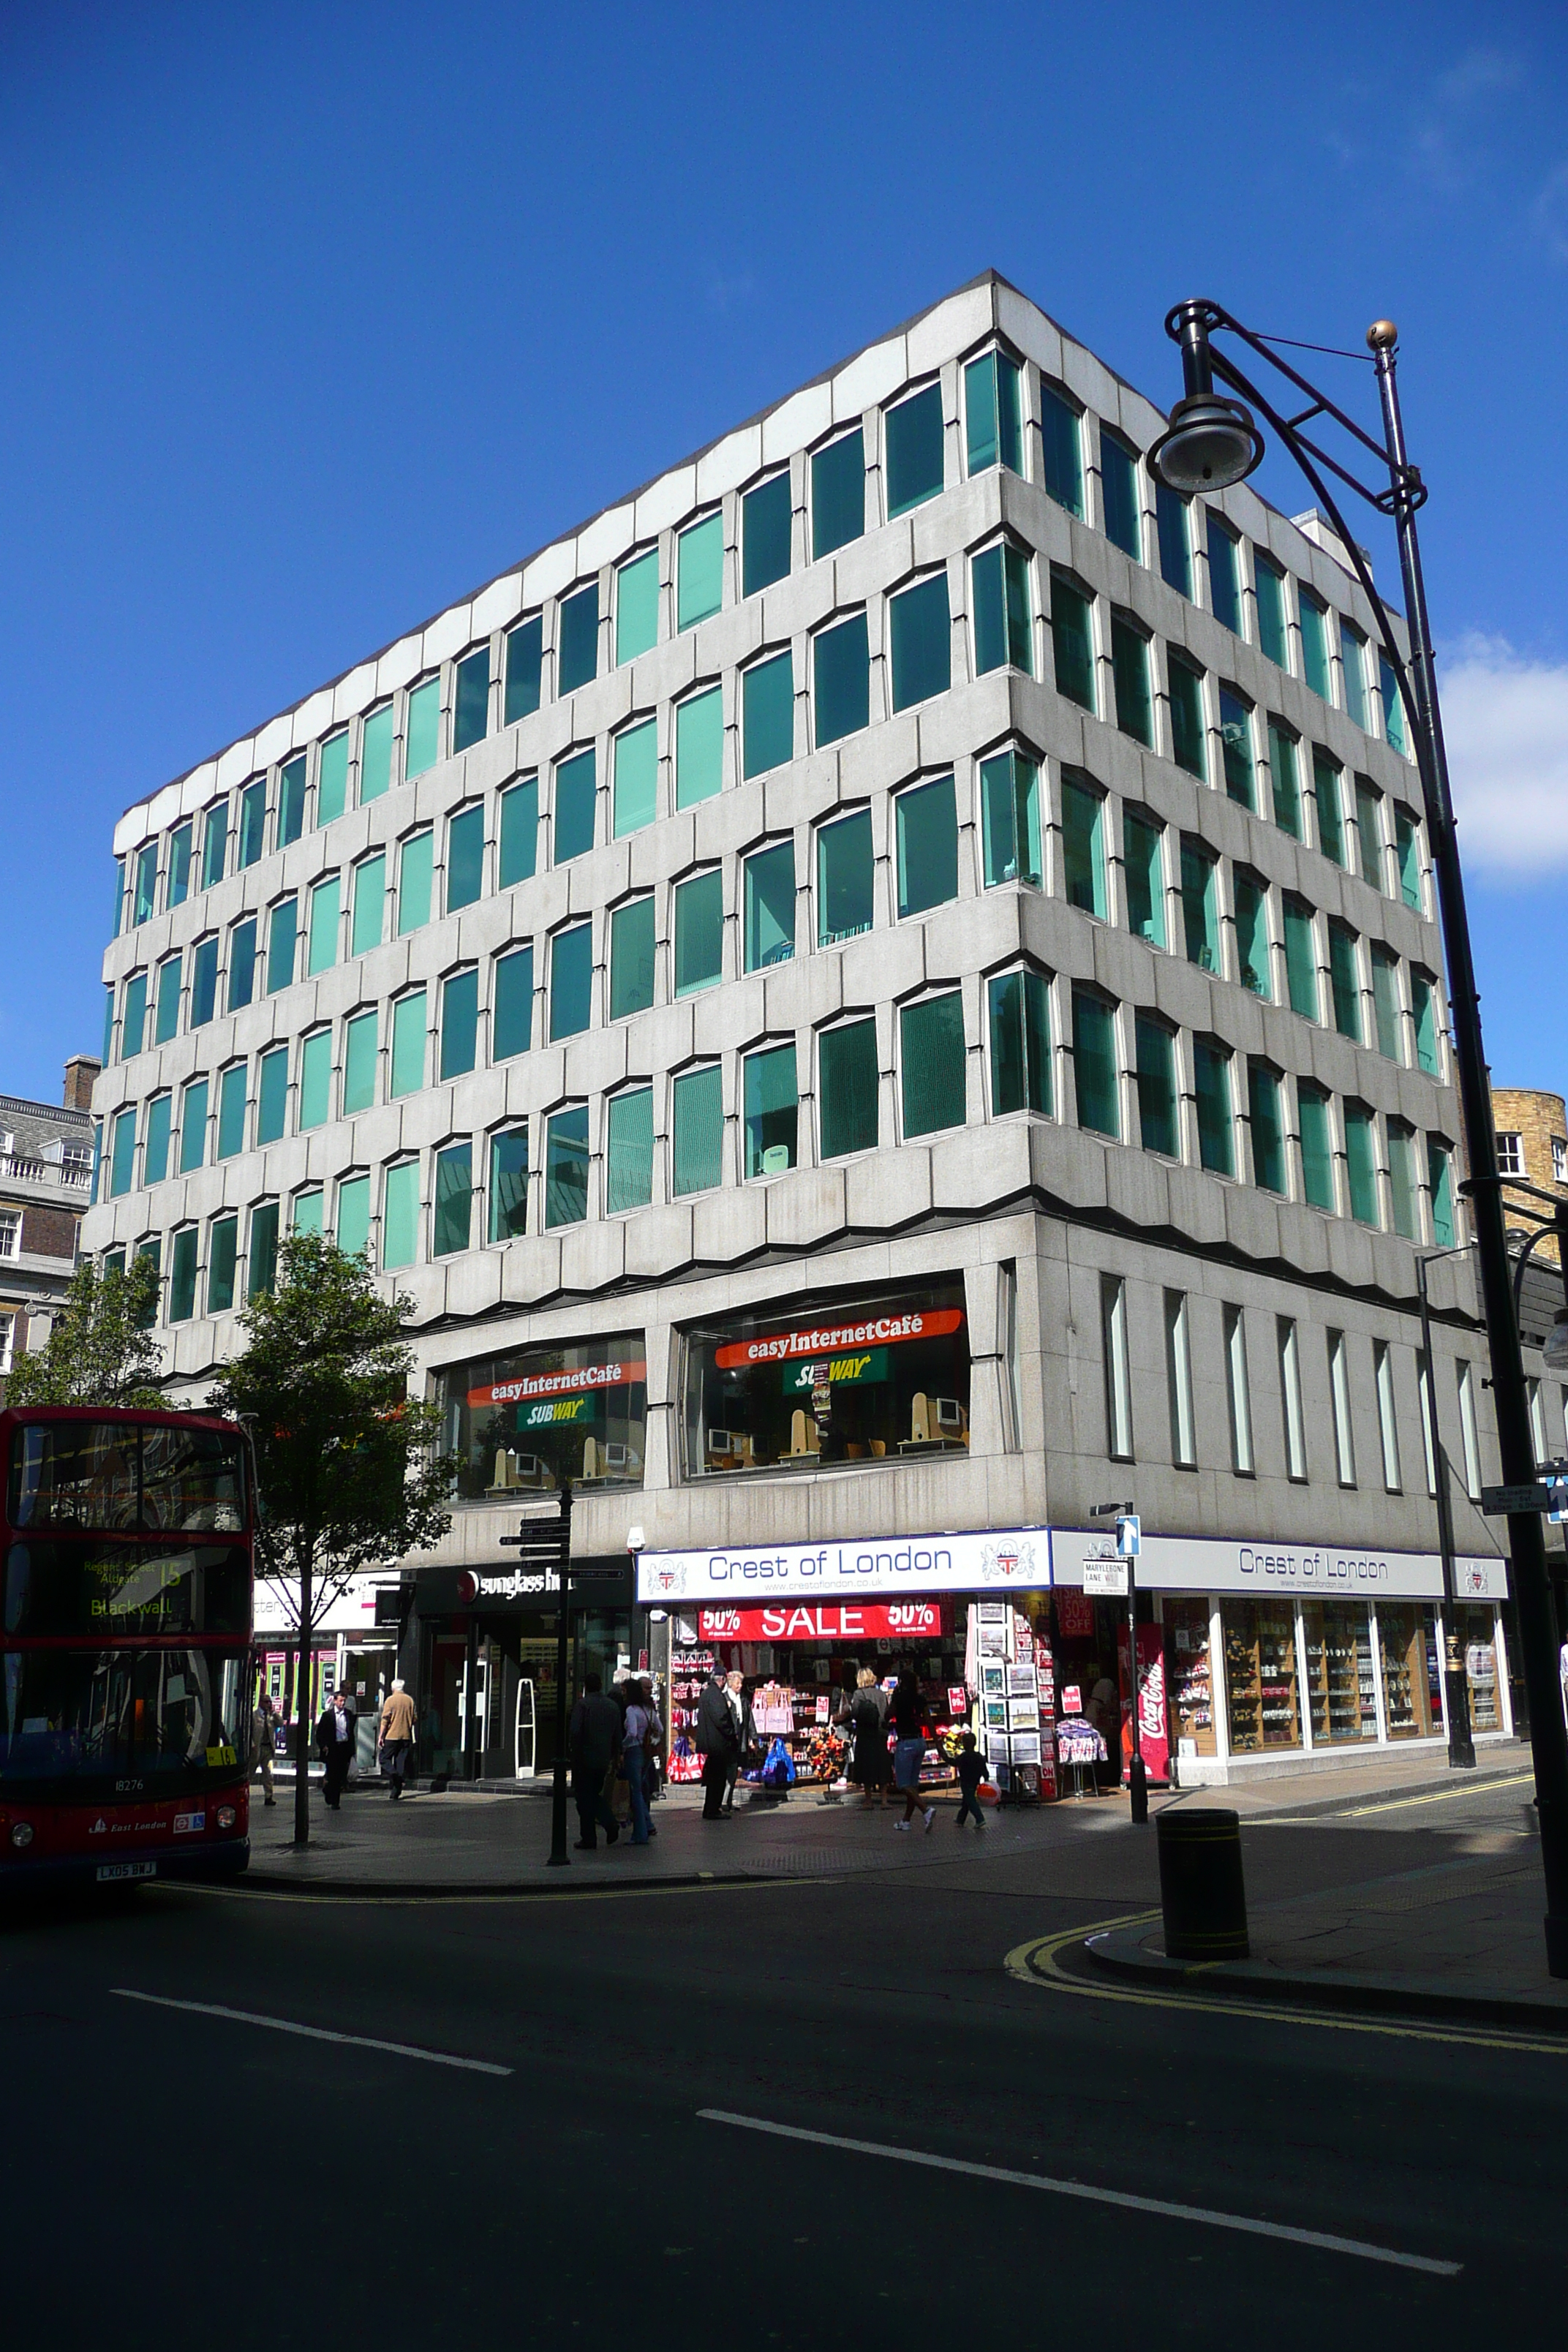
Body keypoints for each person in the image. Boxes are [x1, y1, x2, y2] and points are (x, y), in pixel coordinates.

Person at [568, 1672, 622, 1849]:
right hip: (603, 1758)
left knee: (584, 1798)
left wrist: (573, 1755)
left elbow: (575, 1733)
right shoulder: (612, 1706)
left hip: (584, 1759)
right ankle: (601, 1829)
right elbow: (617, 1734)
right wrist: (616, 1755)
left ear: (586, 1687)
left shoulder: (583, 1706)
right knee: (592, 1795)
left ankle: (595, 1833)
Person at [889, 1666, 935, 1831]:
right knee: (912, 1785)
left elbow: (888, 1714)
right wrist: (936, 1742)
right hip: (919, 1741)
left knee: (903, 1784)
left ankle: (926, 1810)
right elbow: (929, 1720)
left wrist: (893, 1697)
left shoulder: (899, 1698)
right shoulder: (920, 1698)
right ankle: (906, 1820)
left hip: (906, 1742)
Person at [622, 1678, 663, 1846]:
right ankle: (648, 1825)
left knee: (636, 1792)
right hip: (646, 1752)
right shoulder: (649, 1710)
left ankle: (640, 1833)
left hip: (633, 1750)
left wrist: (622, 1746)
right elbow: (660, 1729)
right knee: (640, 1789)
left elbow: (631, 1732)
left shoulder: (631, 1710)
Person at [695, 1668, 739, 1820]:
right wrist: (731, 1734)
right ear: (722, 1680)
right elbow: (721, 1718)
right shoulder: (715, 1695)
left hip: (711, 1743)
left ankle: (711, 1808)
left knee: (714, 1778)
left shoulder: (707, 1693)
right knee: (718, 1779)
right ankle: (713, 1809)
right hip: (718, 1744)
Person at [848, 1666, 892, 1809]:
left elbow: (854, 1714)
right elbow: (886, 1713)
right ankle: (884, 1800)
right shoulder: (881, 1694)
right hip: (880, 1734)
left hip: (865, 1734)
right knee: (882, 1766)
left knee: (866, 1767)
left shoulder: (858, 1694)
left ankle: (868, 1800)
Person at [314, 1685, 356, 1812]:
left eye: (344, 1701)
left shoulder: (348, 1715)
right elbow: (320, 1733)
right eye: (340, 1701)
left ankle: (331, 1792)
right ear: (335, 1701)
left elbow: (350, 1731)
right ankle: (334, 1800)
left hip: (344, 1747)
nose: (342, 1703)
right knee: (333, 1775)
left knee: (342, 1775)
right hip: (333, 1748)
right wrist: (323, 1746)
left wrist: (351, 1749)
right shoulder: (328, 1716)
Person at [377, 1678, 418, 1801]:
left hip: (392, 1735)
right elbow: (415, 1718)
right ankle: (396, 1791)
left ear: (392, 1688)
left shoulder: (390, 1700)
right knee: (400, 1761)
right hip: (406, 1736)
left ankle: (394, 1775)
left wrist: (381, 1735)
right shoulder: (410, 1700)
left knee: (384, 1758)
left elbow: (386, 1719)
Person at [722, 1670, 752, 1814]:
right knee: (730, 1770)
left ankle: (728, 1800)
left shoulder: (743, 1700)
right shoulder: (725, 1698)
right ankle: (724, 1801)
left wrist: (753, 1737)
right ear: (731, 1683)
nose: (740, 1686)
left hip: (741, 1739)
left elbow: (748, 1720)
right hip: (729, 1740)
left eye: (741, 1683)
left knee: (735, 1770)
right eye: (738, 1683)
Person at [954, 1731, 987, 1829]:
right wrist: (987, 1779)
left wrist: (945, 1756)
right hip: (975, 1780)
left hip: (965, 1781)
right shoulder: (979, 1756)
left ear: (964, 1744)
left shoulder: (963, 1757)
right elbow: (984, 1769)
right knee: (966, 1801)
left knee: (970, 1800)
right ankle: (960, 1820)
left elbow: (954, 1762)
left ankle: (980, 1818)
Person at [250, 1691, 276, 1807]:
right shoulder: (254, 1715)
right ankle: (244, 1792)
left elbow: (280, 1723)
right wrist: (252, 1744)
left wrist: (274, 1713)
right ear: (260, 1703)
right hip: (257, 1748)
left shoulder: (271, 1716)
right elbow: (248, 1731)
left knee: (268, 1774)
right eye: (266, 1702)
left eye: (270, 1702)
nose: (268, 1704)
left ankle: (268, 1796)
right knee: (250, 1772)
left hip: (267, 1748)